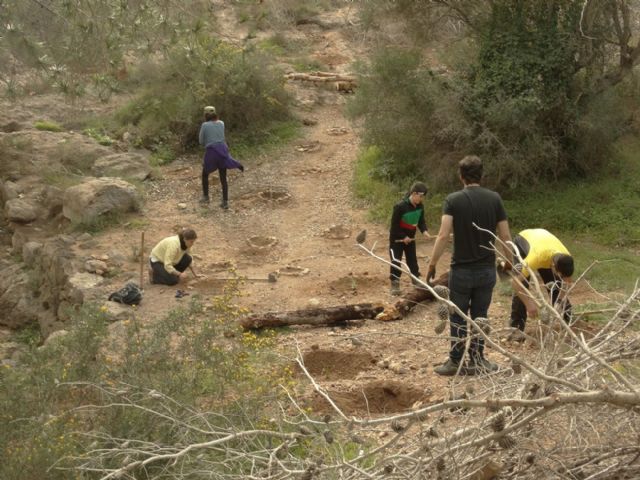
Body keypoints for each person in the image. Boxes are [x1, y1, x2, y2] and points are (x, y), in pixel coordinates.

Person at [427, 156, 512, 376]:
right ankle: (477, 359)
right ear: (481, 175)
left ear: (460, 176)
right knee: (480, 314)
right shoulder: (494, 199)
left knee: (457, 315)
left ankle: (456, 361)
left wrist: (432, 263)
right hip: (486, 269)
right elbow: (505, 236)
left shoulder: (453, 200)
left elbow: (444, 234)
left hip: (462, 270)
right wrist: (510, 262)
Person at [508, 228, 574, 336]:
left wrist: (559, 301)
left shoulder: (566, 258)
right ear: (553, 266)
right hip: (523, 241)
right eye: (560, 274)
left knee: (556, 285)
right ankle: (516, 330)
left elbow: (566, 282)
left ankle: (568, 323)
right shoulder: (536, 258)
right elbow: (515, 283)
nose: (562, 277)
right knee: (522, 285)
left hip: (543, 239)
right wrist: (529, 304)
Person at [388, 182, 432, 295]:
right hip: (397, 239)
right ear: (413, 193)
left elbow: (421, 222)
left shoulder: (420, 206)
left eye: (423, 197)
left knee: (412, 260)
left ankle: (416, 281)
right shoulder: (400, 206)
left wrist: (424, 231)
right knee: (396, 261)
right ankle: (395, 284)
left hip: (411, 239)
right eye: (420, 196)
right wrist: (404, 236)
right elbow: (394, 226)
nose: (421, 199)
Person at [199, 106, 244, 209]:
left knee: (205, 174)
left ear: (205, 115)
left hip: (212, 152)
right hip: (223, 151)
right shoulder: (222, 123)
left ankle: (206, 197)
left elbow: (201, 141)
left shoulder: (205, 125)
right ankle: (225, 202)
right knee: (223, 177)